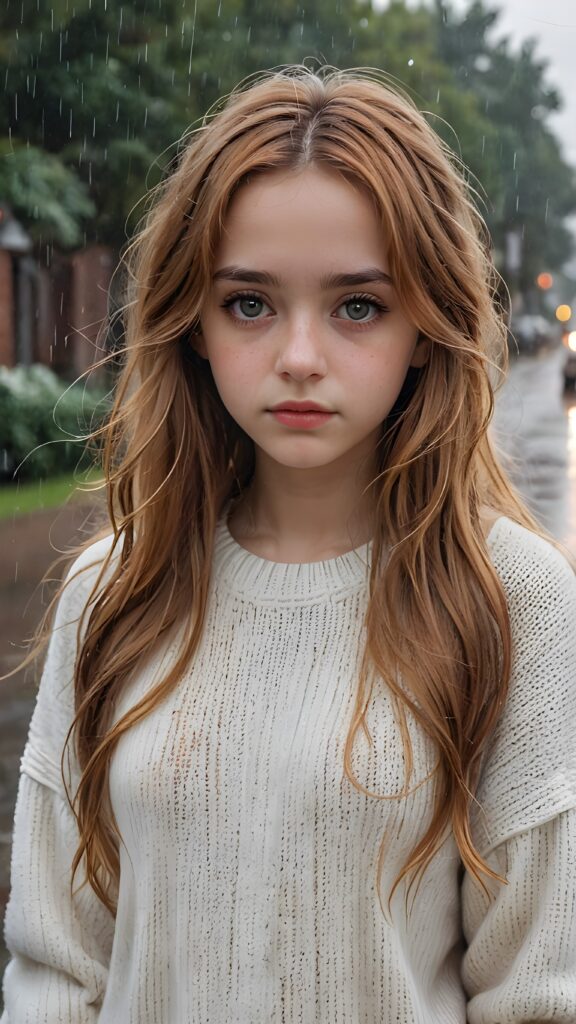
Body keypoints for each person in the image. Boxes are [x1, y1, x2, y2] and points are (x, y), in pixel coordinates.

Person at [1, 64, 575, 1024]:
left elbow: (537, 994)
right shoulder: (113, 592)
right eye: (250, 304)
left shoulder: (513, 598)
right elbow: (58, 972)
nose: (300, 357)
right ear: (192, 323)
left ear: (427, 327)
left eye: (358, 305)